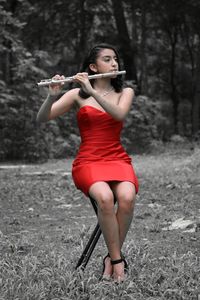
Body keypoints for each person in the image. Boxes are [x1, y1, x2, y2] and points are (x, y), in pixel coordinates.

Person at [36, 44, 139, 283]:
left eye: (116, 59)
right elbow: (42, 119)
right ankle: (117, 262)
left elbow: (119, 115)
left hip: (117, 158)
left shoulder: (126, 92)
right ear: (93, 67)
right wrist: (51, 97)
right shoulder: (75, 95)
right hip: (89, 161)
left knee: (127, 197)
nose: (114, 64)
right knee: (104, 197)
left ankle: (110, 258)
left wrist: (92, 91)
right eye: (107, 59)